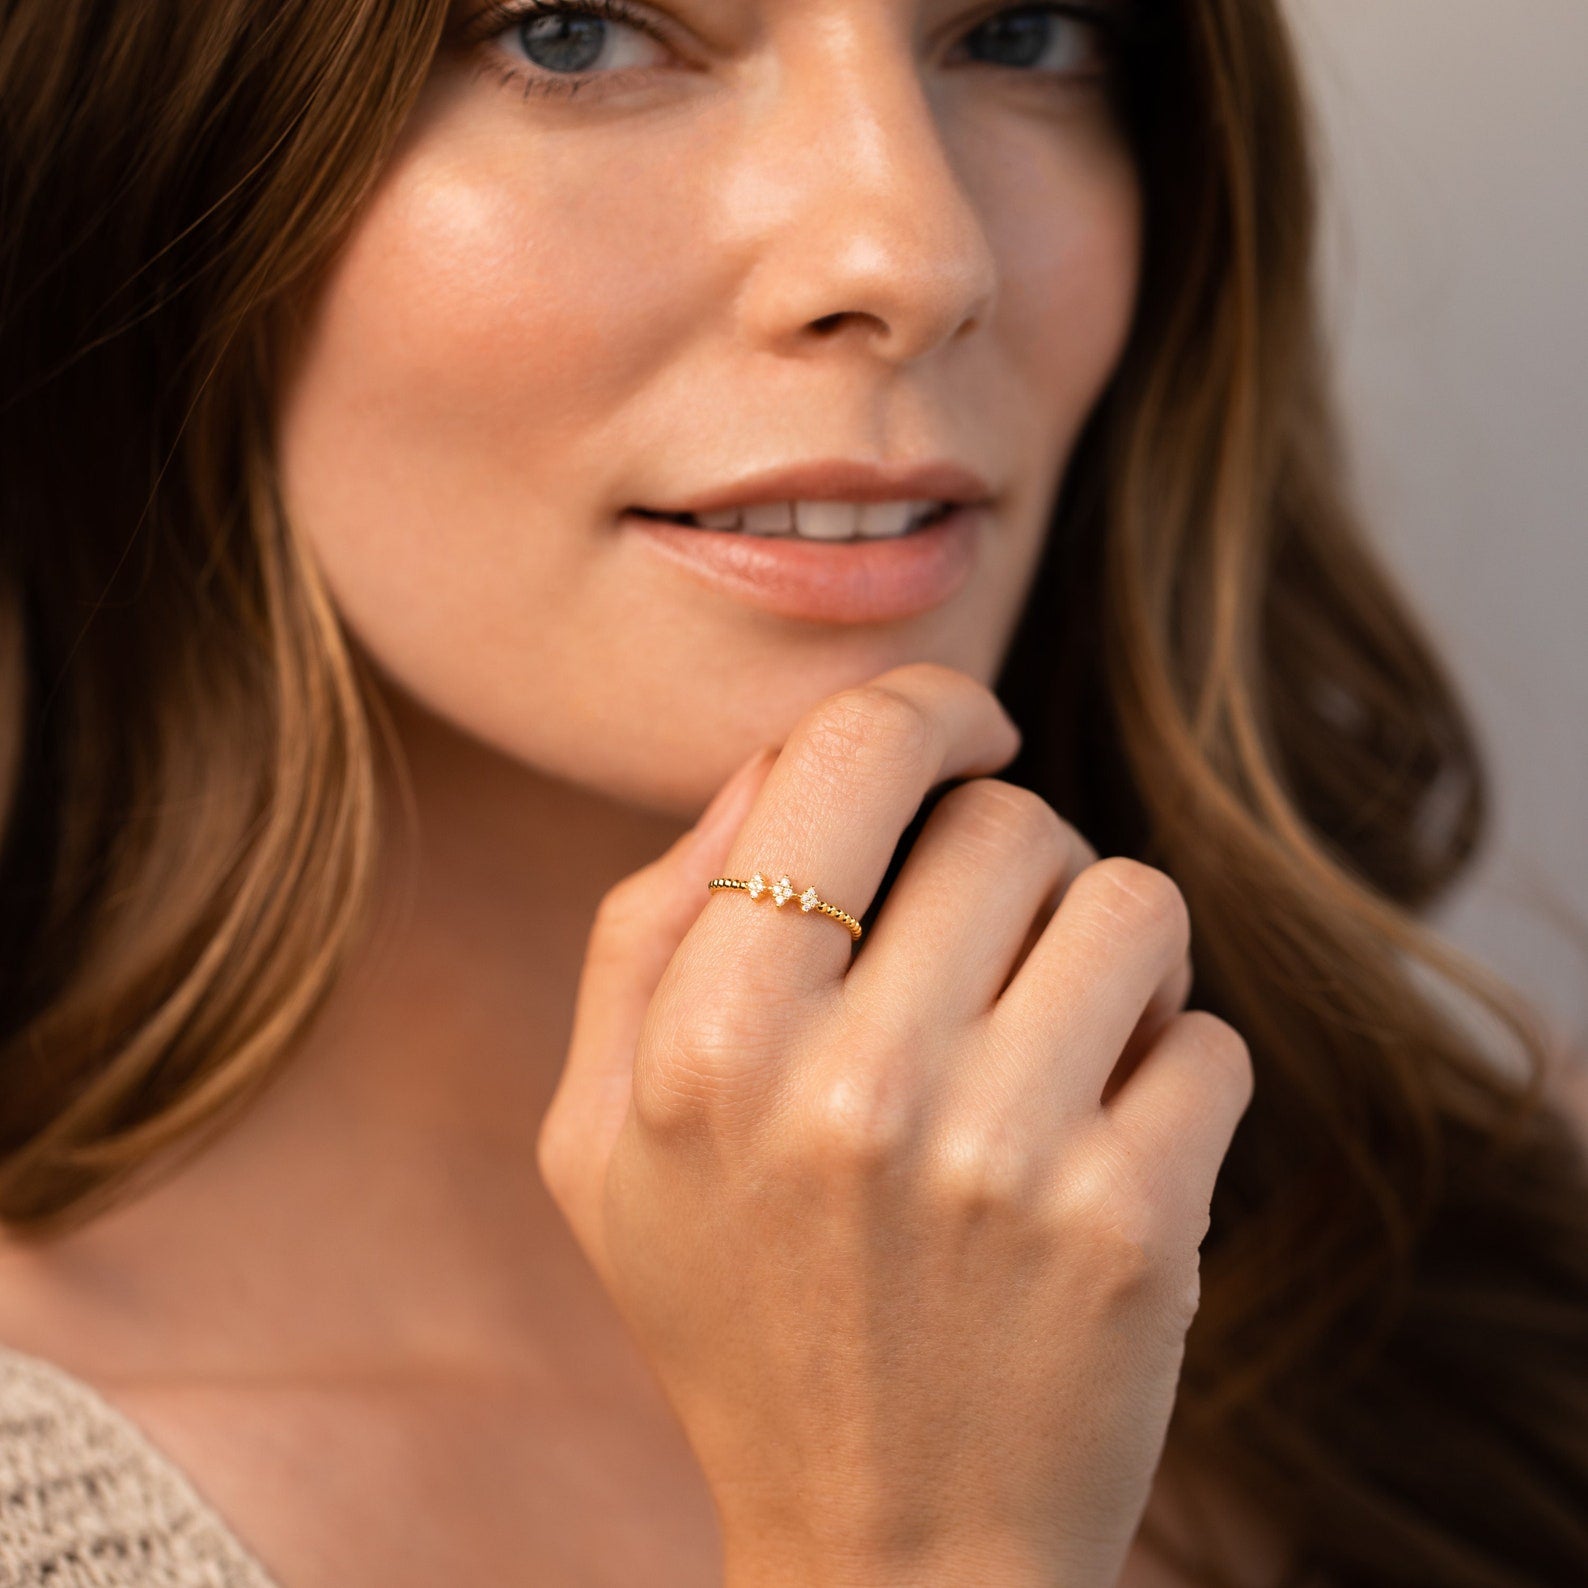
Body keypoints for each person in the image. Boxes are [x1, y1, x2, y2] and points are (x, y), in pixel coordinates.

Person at [1, 1, 1584, 1584]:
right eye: (574, 35)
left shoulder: (1503, 1318)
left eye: (1022, 32)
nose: (915, 257)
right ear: (143, 145)